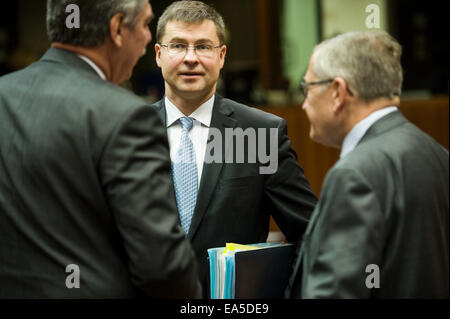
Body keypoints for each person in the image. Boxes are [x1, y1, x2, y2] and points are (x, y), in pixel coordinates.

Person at [0, 0, 201, 298]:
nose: (149, 37)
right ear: (117, 28)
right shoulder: (127, 117)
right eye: (146, 25)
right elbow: (163, 270)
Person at [152, 0, 317, 297]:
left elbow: (312, 234)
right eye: (178, 45)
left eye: (203, 46)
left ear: (222, 56)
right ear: (158, 54)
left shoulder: (258, 133)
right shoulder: (126, 133)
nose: (191, 58)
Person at [286, 30, 449, 298]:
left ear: (338, 92)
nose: (304, 104)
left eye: (308, 88)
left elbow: (337, 292)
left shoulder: (355, 174)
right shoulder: (437, 153)